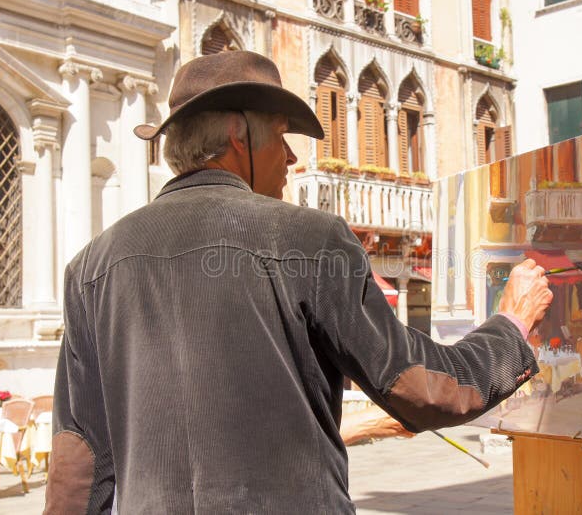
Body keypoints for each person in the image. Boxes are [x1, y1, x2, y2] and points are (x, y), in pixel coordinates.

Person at [44, 51, 553, 514]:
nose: (291, 158)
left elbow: (78, 463)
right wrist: (510, 324)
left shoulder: (90, 267)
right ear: (240, 135)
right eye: (282, 136)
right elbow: (421, 387)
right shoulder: (309, 238)